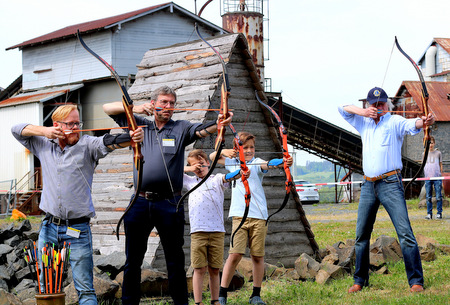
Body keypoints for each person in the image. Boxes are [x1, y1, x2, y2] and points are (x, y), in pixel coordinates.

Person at [102, 86, 233, 305]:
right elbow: (108, 108)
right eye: (164, 102)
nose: (168, 107)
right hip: (140, 201)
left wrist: (219, 123)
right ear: (154, 104)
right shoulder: (139, 124)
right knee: (133, 260)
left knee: (175, 260)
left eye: (172, 103)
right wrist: (138, 108)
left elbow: (201, 130)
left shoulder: (180, 128)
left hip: (169, 202)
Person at [11, 104, 143, 304]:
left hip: (77, 229)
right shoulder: (43, 144)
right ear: (56, 125)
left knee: (85, 288)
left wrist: (130, 137)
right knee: (47, 287)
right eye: (70, 124)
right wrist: (44, 131)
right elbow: (16, 129)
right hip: (49, 227)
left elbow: (107, 142)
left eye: (77, 123)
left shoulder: (88, 144)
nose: (75, 128)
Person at [338, 87, 435, 293]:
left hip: (390, 183)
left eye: (381, 104)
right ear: (368, 106)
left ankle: (416, 281)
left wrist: (424, 122)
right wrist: (362, 112)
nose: (377, 107)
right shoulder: (363, 122)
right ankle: (360, 280)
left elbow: (413, 124)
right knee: (361, 235)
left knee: (405, 233)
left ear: (387, 105)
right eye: (373, 105)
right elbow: (342, 108)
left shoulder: (394, 121)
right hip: (368, 185)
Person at [209, 131, 293, 305]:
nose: (249, 151)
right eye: (244, 147)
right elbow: (213, 157)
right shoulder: (233, 164)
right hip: (240, 215)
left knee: (257, 256)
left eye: (251, 147)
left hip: (259, 216)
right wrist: (225, 152)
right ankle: (222, 294)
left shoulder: (256, 162)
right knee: (235, 254)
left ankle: (256, 294)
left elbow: (269, 164)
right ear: (237, 148)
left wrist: (283, 162)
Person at [183, 149, 243, 305]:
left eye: (201, 164)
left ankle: (215, 300)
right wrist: (191, 169)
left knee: (215, 269)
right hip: (198, 232)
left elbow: (229, 176)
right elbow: (172, 169)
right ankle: (198, 302)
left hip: (216, 231)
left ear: (208, 163)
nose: (199, 169)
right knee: (199, 269)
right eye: (194, 166)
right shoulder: (189, 181)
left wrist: (241, 171)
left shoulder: (216, 179)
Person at [424, 136, 444, 220]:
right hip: (428, 177)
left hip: (437, 177)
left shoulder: (438, 153)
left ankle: (439, 213)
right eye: (429, 143)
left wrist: (441, 175)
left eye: (432, 143)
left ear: (434, 143)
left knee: (438, 196)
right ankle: (429, 213)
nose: (430, 145)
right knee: (428, 196)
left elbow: (440, 164)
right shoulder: (424, 154)